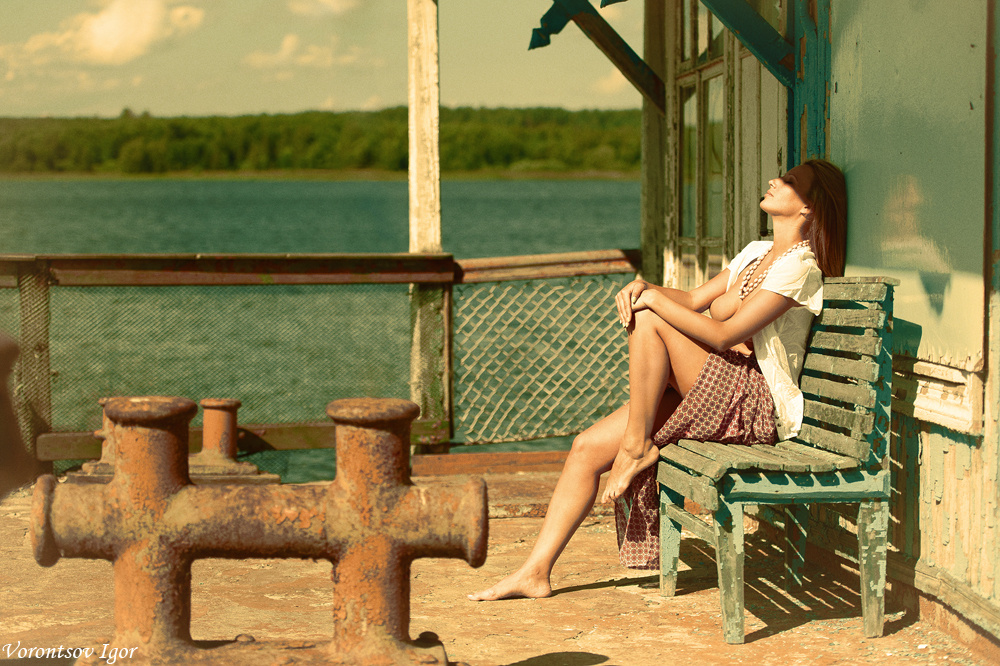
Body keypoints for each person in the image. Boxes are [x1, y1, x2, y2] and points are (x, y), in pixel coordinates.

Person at [469, 159, 847, 600]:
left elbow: (726, 333)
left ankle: (636, 446)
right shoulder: (755, 254)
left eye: (789, 182)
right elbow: (690, 300)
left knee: (650, 317)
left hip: (754, 403)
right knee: (587, 447)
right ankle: (535, 572)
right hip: (716, 386)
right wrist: (645, 286)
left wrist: (651, 303)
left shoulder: (800, 268)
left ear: (809, 209)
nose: (774, 181)